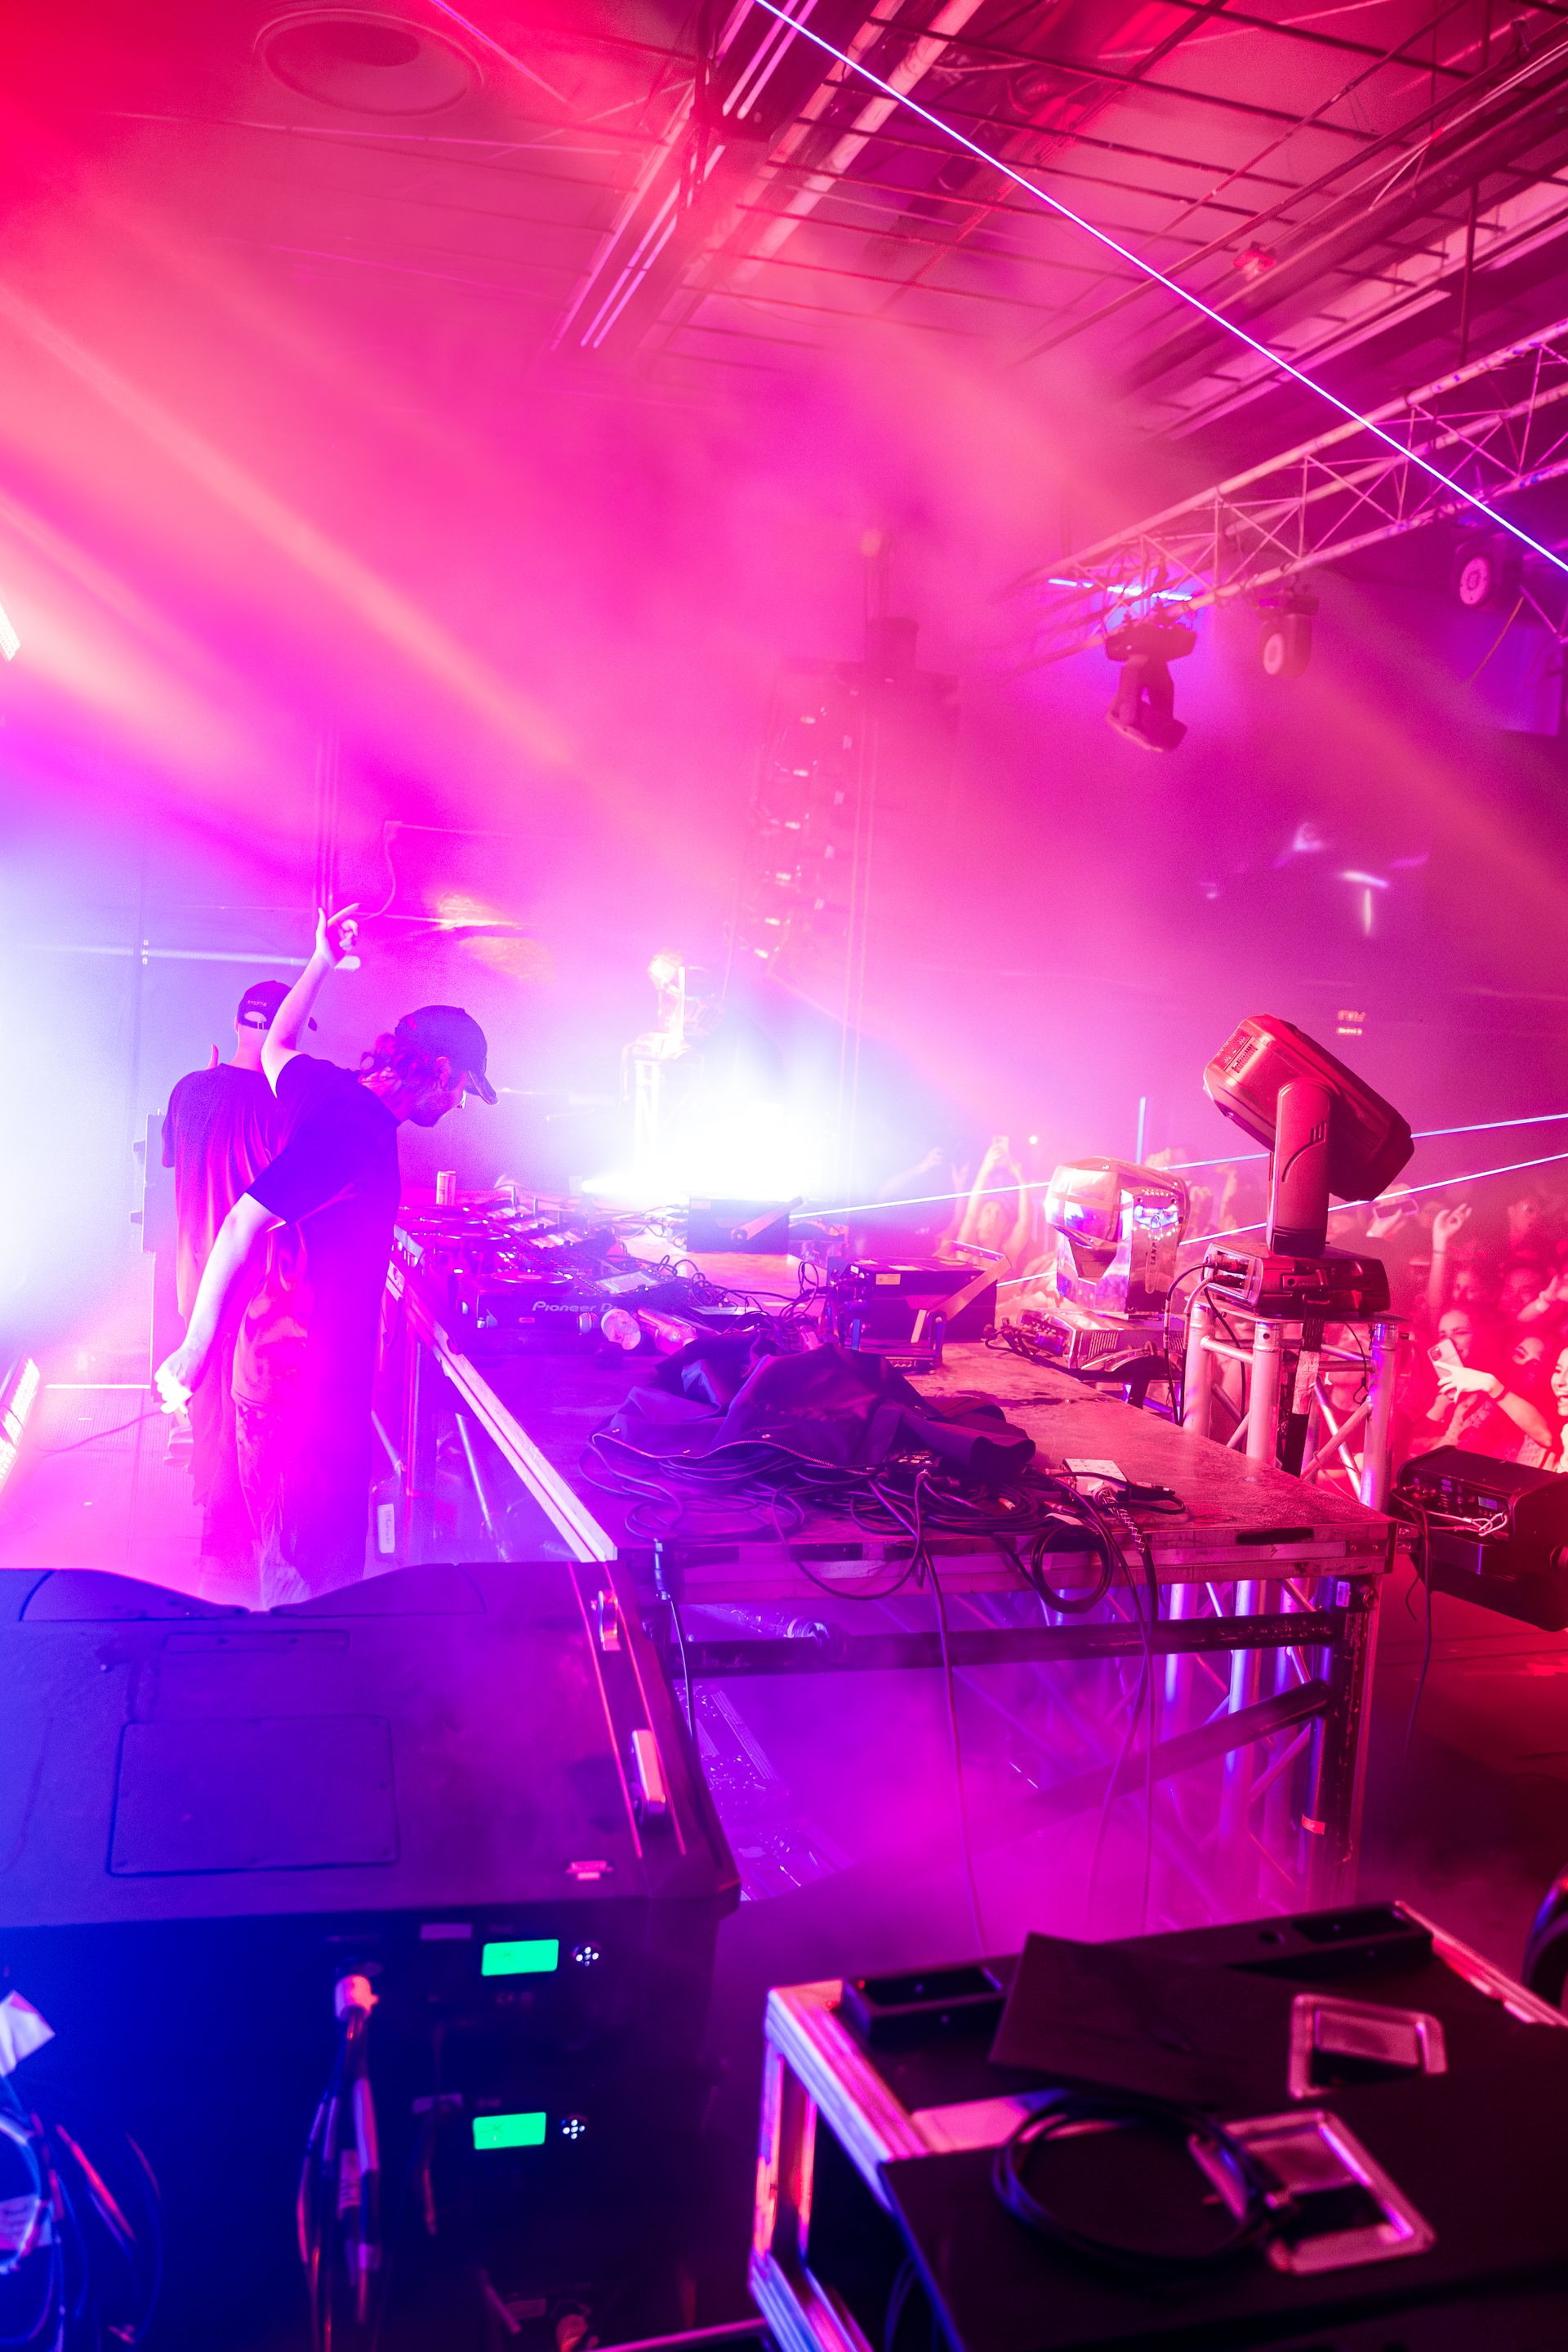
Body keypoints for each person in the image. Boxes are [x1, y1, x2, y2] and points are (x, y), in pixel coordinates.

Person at [155, 906, 496, 1606]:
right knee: (310, 1595)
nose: (459, 1103)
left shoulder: (328, 1085)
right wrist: (193, 1348)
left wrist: (320, 962)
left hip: (286, 1378)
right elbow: (242, 1223)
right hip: (302, 1395)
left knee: (291, 1575)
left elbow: (277, 1044)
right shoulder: (354, 1131)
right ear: (439, 1070)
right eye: (462, 1087)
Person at [161, 979, 308, 1582]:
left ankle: (214, 1554)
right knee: (245, 1436)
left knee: (209, 1419)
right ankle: (232, 1572)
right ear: (287, 1033)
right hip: (253, 1296)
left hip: (192, 1283)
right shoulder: (286, 1108)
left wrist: (212, 1090)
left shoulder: (188, 1089)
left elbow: (180, 1160)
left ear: (238, 1024)